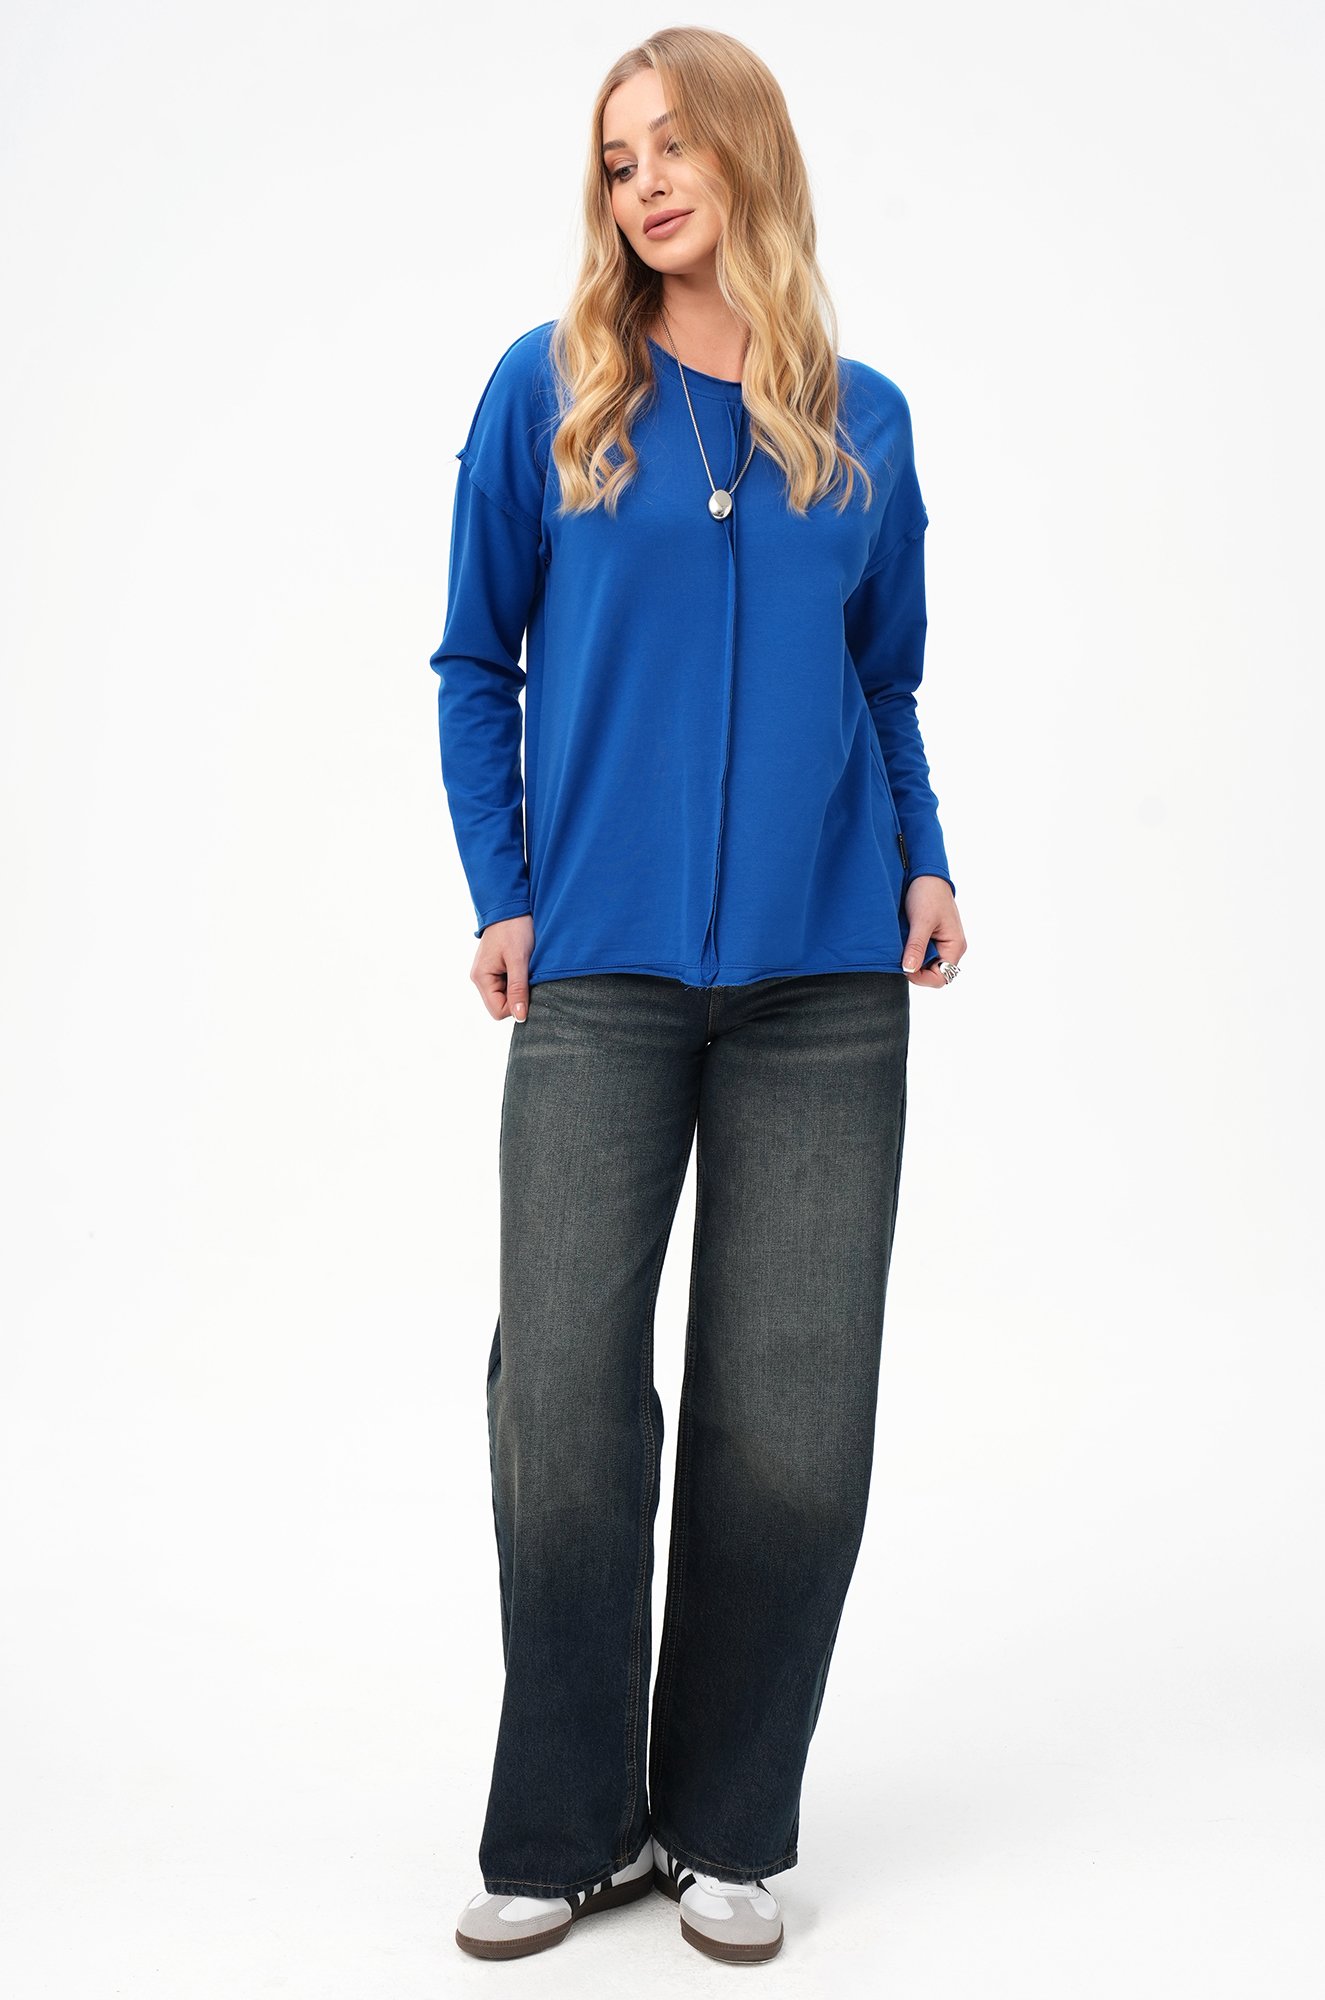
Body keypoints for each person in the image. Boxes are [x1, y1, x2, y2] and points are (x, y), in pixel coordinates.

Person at [430, 25, 966, 1966]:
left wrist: (924, 854)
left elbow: (884, 678)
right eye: (616, 159)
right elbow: (471, 659)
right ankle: (570, 1829)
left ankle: (728, 1822)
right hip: (602, 973)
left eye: (673, 146)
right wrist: (506, 890)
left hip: (827, 982)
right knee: (563, 1402)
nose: (645, 183)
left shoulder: (861, 416)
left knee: (793, 1420)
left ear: (746, 154)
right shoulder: (553, 387)